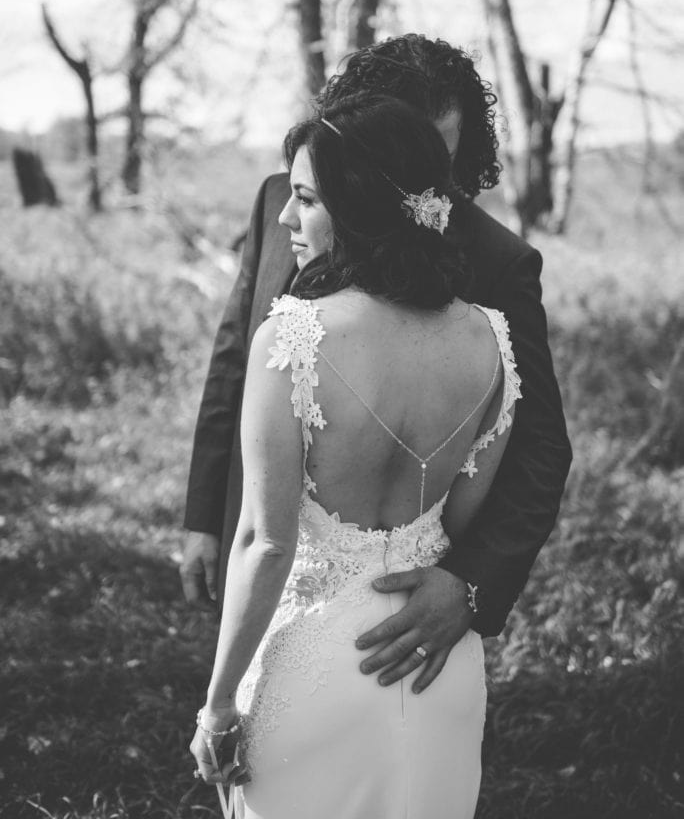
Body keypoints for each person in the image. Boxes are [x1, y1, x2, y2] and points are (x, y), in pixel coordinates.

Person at [182, 34, 572, 689]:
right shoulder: (282, 199)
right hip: (257, 534)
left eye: (436, 152)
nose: (414, 172)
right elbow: (233, 359)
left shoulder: (497, 261)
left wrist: (468, 585)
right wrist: (202, 515)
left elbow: (540, 445)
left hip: (390, 607)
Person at [190, 95, 523, 817]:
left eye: (306, 198)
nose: (284, 218)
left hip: (314, 672)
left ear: (362, 206)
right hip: (438, 664)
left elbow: (266, 541)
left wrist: (216, 708)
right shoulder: (493, 341)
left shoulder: (295, 338)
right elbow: (463, 521)